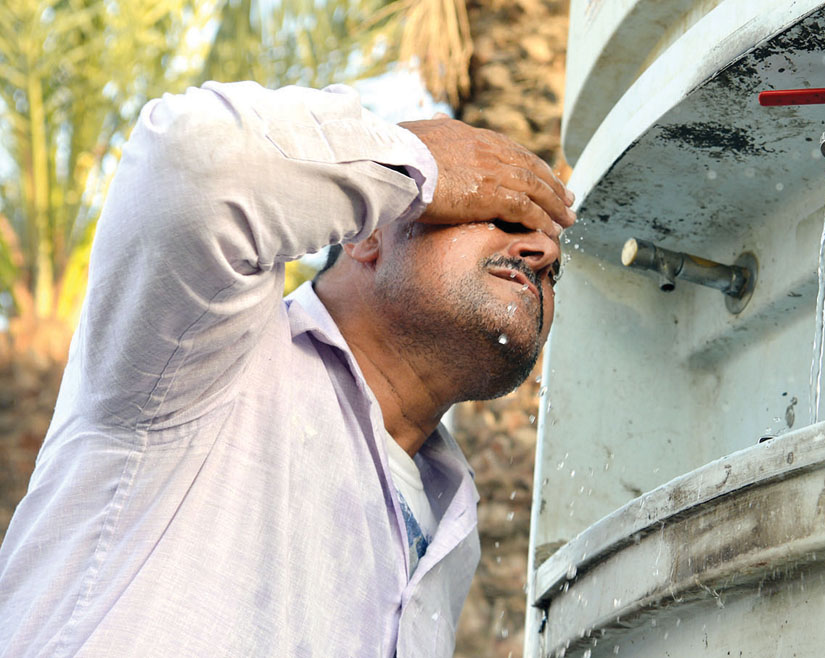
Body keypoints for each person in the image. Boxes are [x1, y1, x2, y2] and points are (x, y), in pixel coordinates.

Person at [0, 81, 575, 657]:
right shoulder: (205, 352)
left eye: (554, 269)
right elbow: (190, 164)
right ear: (371, 234)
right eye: (505, 216)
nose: (545, 256)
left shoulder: (451, 521)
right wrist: (415, 160)